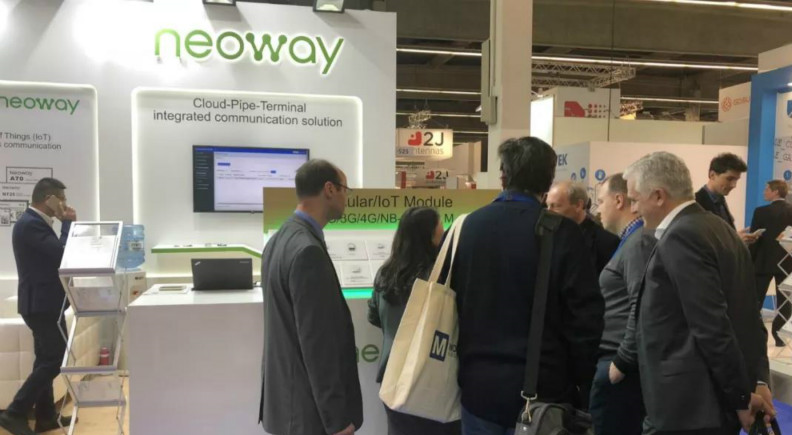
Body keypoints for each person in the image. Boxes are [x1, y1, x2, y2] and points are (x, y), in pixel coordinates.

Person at [448, 137, 604, 435]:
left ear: (503, 176)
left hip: (477, 388)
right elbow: (585, 319)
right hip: (544, 395)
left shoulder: (466, 227)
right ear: (548, 180)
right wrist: (582, 382)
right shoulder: (563, 233)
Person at [624, 152, 773, 434]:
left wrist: (741, 396)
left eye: (635, 199)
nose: (633, 209)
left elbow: (711, 326)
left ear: (658, 195)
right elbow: (748, 317)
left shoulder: (682, 235)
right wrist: (757, 381)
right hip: (707, 404)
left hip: (687, 407)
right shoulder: (721, 229)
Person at [258, 160, 363, 435]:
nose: (346, 197)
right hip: (308, 414)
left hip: (286, 405)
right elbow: (318, 345)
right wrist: (336, 420)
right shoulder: (307, 251)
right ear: (329, 189)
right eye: (345, 189)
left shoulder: (278, 240)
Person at [367, 207, 460, 435]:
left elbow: (374, 317)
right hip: (432, 378)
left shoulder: (384, 273)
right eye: (440, 230)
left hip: (393, 375)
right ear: (430, 237)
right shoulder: (440, 277)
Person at [0, 178, 76, 435]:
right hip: (40, 304)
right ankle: (15, 412)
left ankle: (45, 416)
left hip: (45, 303)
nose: (64, 204)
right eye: (61, 199)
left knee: (45, 358)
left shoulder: (36, 223)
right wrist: (68, 224)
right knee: (54, 359)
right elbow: (62, 255)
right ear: (49, 199)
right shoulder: (31, 224)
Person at [588, 173, 646, 435]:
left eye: (601, 202)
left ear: (619, 200)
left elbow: (640, 305)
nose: (598, 210)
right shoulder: (630, 241)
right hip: (616, 360)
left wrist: (621, 362)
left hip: (618, 364)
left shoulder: (638, 242)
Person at [749, 180, 792, 347]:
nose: (764, 192)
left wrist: (750, 260)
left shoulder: (760, 212)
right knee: (785, 301)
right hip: (786, 263)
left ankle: (755, 334)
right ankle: (779, 336)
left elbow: (754, 240)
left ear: (775, 192)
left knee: (755, 300)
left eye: (767, 189)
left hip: (763, 262)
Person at [546, 180, 619, 274]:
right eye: (547, 206)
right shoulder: (546, 237)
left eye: (556, 206)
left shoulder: (606, 242)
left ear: (578, 205)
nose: (548, 212)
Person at [695, 153, 756, 243]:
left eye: (736, 180)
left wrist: (735, 236)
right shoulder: (696, 203)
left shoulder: (721, 200)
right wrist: (734, 239)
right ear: (712, 175)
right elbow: (700, 240)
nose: (734, 185)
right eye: (729, 179)